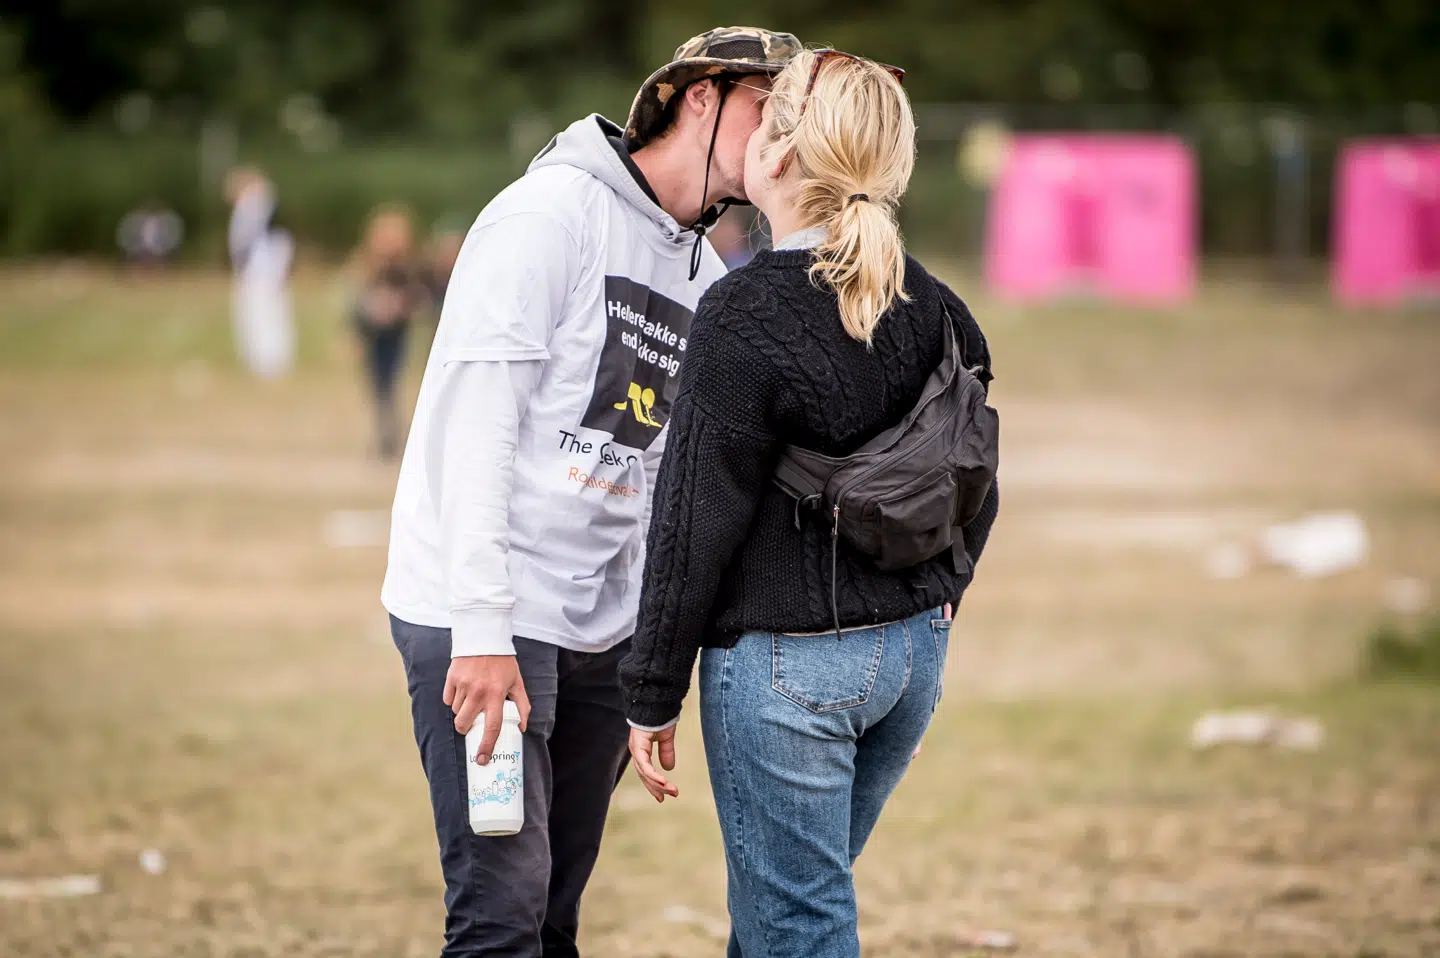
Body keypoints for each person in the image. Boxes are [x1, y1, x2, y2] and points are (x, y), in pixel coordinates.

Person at [379, 26, 802, 958]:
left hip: (598, 638)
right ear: (702, 97)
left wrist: (647, 651)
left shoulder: (703, 267)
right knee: (499, 916)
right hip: (489, 619)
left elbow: (659, 468)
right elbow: (476, 429)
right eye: (772, 110)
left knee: (555, 914)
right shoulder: (550, 216)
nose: (789, 138)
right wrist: (482, 630)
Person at [618, 48, 1000, 958]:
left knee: (797, 925)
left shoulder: (743, 313)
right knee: (780, 916)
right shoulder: (937, 305)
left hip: (788, 675)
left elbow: (692, 519)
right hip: (913, 656)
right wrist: (948, 589)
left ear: (778, 158)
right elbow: (975, 470)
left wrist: (649, 692)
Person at [350, 206, 428, 459]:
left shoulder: (405, 269)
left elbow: (417, 299)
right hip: (374, 333)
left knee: (388, 383)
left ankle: (390, 437)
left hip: (394, 332)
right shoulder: (369, 267)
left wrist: (397, 307)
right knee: (378, 384)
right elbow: (356, 303)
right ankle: (386, 435)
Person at [225, 167, 295, 379]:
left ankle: (270, 362)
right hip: (259, 271)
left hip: (261, 272)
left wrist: (273, 268)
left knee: (266, 316)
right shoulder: (255, 209)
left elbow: (272, 241)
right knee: (258, 316)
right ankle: (263, 360)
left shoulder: (256, 209)